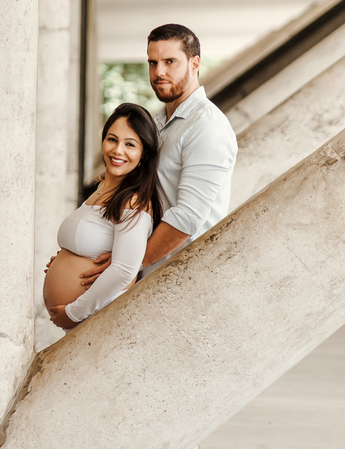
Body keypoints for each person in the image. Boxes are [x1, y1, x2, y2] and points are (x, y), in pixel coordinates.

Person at [75, 23, 238, 297]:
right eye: (153, 62)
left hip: (183, 283)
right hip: (153, 278)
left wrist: (130, 265)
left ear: (195, 63)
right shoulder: (157, 122)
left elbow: (187, 218)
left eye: (170, 62)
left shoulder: (207, 126)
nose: (158, 72)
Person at [43, 102, 164, 330]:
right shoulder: (100, 190)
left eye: (130, 144)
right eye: (112, 139)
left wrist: (72, 312)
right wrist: (66, 259)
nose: (118, 150)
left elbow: (125, 270)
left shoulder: (133, 201)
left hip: (94, 321)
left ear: (143, 154)